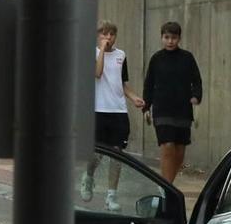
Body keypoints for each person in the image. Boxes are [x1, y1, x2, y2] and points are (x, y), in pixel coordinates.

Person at [80, 21, 145, 210]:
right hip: (98, 111)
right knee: (98, 154)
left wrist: (134, 98)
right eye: (104, 34)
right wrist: (101, 50)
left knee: (117, 154)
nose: (108, 38)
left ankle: (111, 196)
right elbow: (98, 73)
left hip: (118, 111)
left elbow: (121, 83)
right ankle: (89, 176)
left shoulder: (121, 55)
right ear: (98, 37)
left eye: (112, 35)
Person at [141, 21, 202, 182]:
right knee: (168, 147)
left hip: (183, 110)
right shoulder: (156, 59)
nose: (170, 41)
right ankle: (166, 188)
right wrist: (146, 107)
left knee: (179, 152)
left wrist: (196, 96)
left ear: (179, 38)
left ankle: (169, 185)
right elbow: (149, 84)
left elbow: (197, 80)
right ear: (162, 38)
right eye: (166, 37)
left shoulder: (187, 58)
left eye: (173, 38)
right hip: (162, 109)